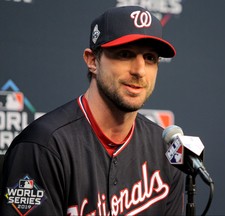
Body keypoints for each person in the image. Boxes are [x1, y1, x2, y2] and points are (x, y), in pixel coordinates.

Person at [0, 6, 185, 216]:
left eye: (150, 58)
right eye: (125, 54)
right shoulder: (43, 147)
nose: (139, 70)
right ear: (92, 60)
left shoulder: (165, 150)